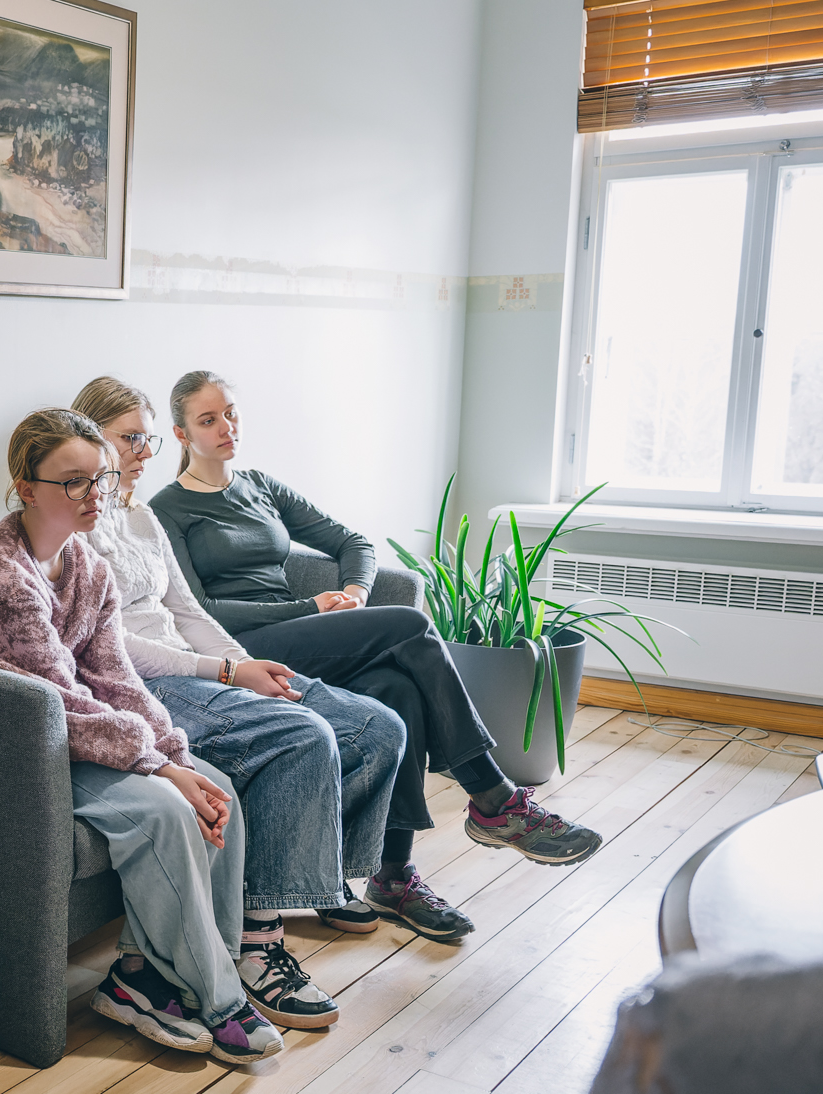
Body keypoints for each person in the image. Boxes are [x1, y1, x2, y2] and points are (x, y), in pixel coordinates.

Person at [149, 371, 604, 946]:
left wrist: (355, 593)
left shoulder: (259, 485)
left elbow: (353, 543)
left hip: (303, 630)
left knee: (399, 689)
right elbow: (200, 611)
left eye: (231, 413)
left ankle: (393, 877)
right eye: (208, 420)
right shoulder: (167, 509)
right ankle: (493, 796)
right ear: (181, 433)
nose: (226, 427)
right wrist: (308, 606)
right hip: (243, 649)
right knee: (411, 624)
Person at [0, 407, 284, 1066]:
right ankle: (220, 998)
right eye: (74, 482)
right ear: (26, 487)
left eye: (101, 478)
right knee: (165, 810)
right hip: (16, 751)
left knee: (218, 790)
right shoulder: (1, 578)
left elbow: (114, 678)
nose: (95, 495)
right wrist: (161, 771)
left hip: (68, 733)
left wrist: (174, 753)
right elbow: (60, 701)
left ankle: (149, 977)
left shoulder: (87, 566)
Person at [71, 376, 409, 1029]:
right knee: (303, 735)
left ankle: (321, 882)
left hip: (201, 667)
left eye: (147, 438)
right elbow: (113, 647)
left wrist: (244, 668)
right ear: (91, 441)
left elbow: (186, 612)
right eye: (129, 437)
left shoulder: (141, 518)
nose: (142, 452)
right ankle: (259, 944)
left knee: (377, 728)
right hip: (149, 685)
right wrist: (225, 670)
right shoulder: (80, 529)